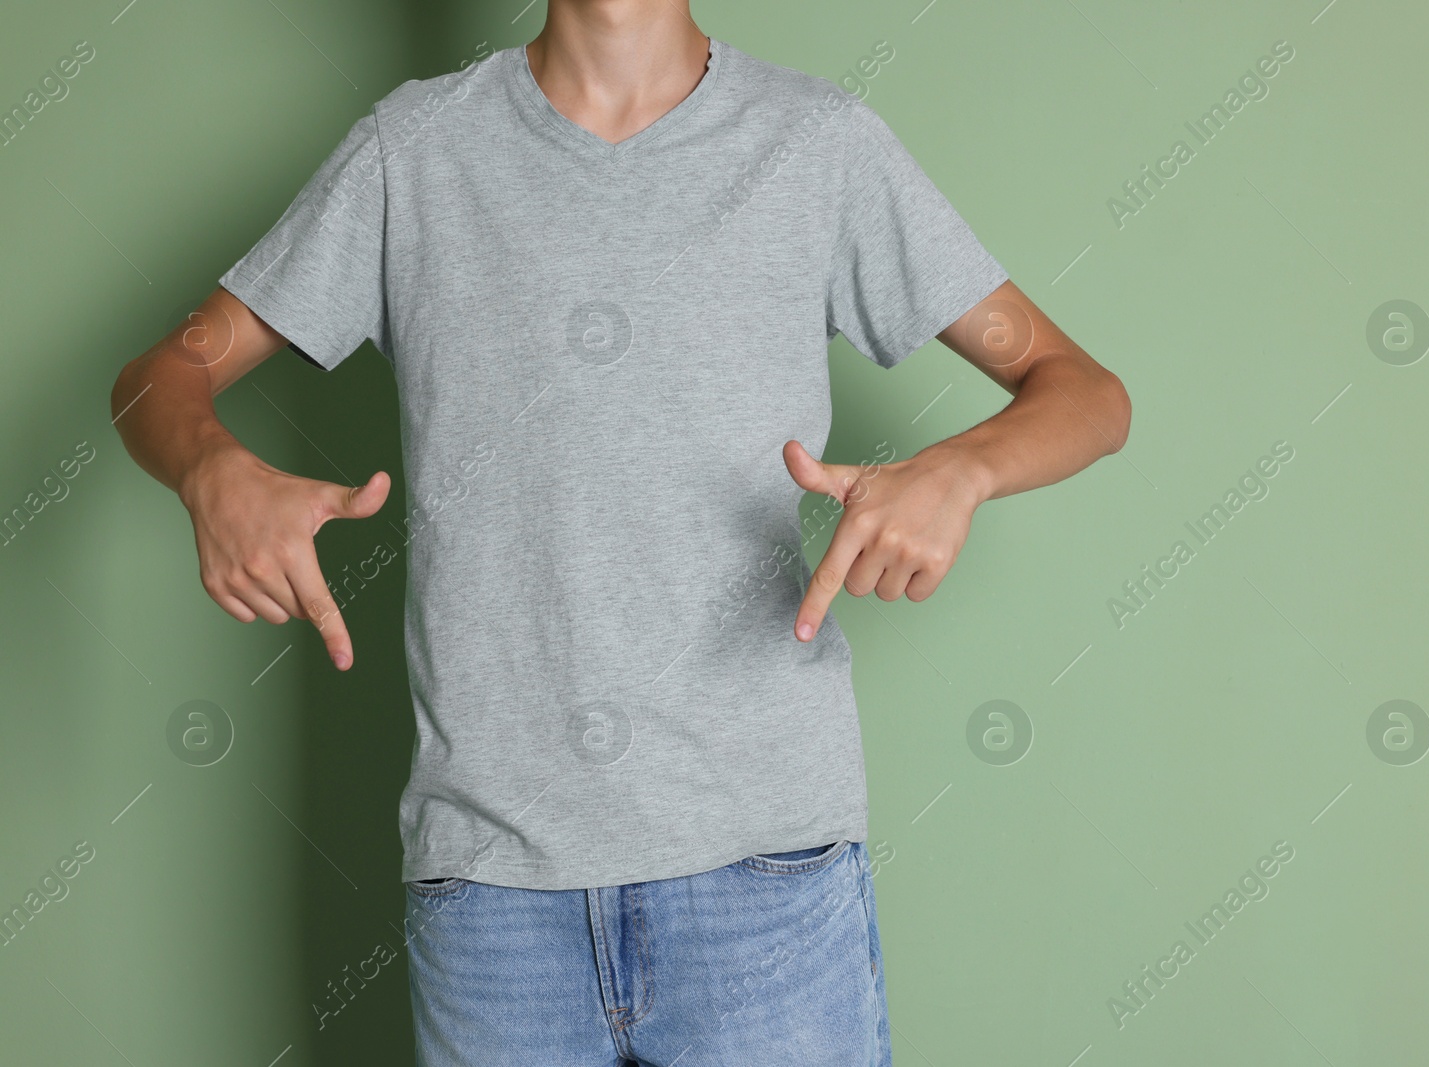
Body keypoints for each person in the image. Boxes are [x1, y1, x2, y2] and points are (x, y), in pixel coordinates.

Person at [110, 2, 1130, 1063]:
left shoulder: (816, 144)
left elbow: (1084, 393)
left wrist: (959, 469)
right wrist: (209, 466)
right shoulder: (410, 151)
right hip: (492, 896)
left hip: (763, 879)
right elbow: (161, 377)